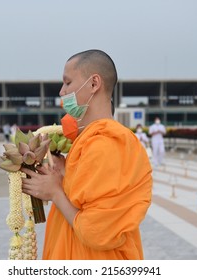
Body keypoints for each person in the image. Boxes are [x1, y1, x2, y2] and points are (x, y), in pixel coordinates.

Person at [21, 50, 152, 260]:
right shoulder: (88, 140)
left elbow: (96, 232)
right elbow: (84, 201)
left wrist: (55, 192)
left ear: (94, 84)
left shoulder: (106, 142)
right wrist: (64, 176)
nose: (61, 91)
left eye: (68, 82)